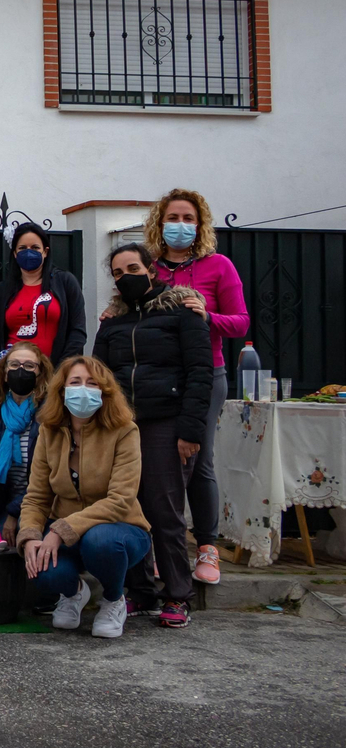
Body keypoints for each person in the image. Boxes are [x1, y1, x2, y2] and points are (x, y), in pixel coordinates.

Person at [92, 242, 213, 628]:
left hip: (167, 424)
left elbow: (200, 373)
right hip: (122, 428)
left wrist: (191, 430)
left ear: (150, 269)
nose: (124, 276)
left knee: (165, 513)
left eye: (131, 268)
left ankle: (177, 594)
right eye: (116, 273)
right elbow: (100, 376)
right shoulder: (112, 322)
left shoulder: (183, 312)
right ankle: (139, 592)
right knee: (128, 510)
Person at [144, 188, 248, 585]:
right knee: (159, 463)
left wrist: (208, 316)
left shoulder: (219, 266)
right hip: (160, 378)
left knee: (198, 460)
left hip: (207, 375)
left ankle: (206, 546)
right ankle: (163, 546)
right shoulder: (151, 267)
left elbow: (240, 322)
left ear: (200, 225)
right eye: (173, 218)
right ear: (159, 223)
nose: (180, 226)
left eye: (189, 219)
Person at [20, 355, 154, 639]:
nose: (84, 389)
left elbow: (121, 499)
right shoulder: (49, 430)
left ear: (104, 391)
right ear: (62, 390)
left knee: (100, 541)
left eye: (92, 383)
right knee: (43, 568)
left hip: (122, 529)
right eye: (76, 382)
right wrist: (31, 535)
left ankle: (113, 599)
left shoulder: (124, 430)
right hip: (65, 528)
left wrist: (60, 530)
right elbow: (36, 496)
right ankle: (73, 594)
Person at [0, 222, 87, 363]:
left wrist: (59, 371)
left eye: (35, 247)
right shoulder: (2, 290)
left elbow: (78, 332)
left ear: (45, 251)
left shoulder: (65, 282)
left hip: (55, 371)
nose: (28, 252)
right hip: (13, 373)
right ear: (14, 253)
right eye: (22, 248)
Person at [0, 342, 51, 541]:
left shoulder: (48, 415)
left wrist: (14, 512)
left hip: (38, 504)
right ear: (4, 373)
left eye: (29, 366)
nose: (21, 371)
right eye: (14, 365)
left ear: (40, 374)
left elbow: (47, 478)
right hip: (2, 500)